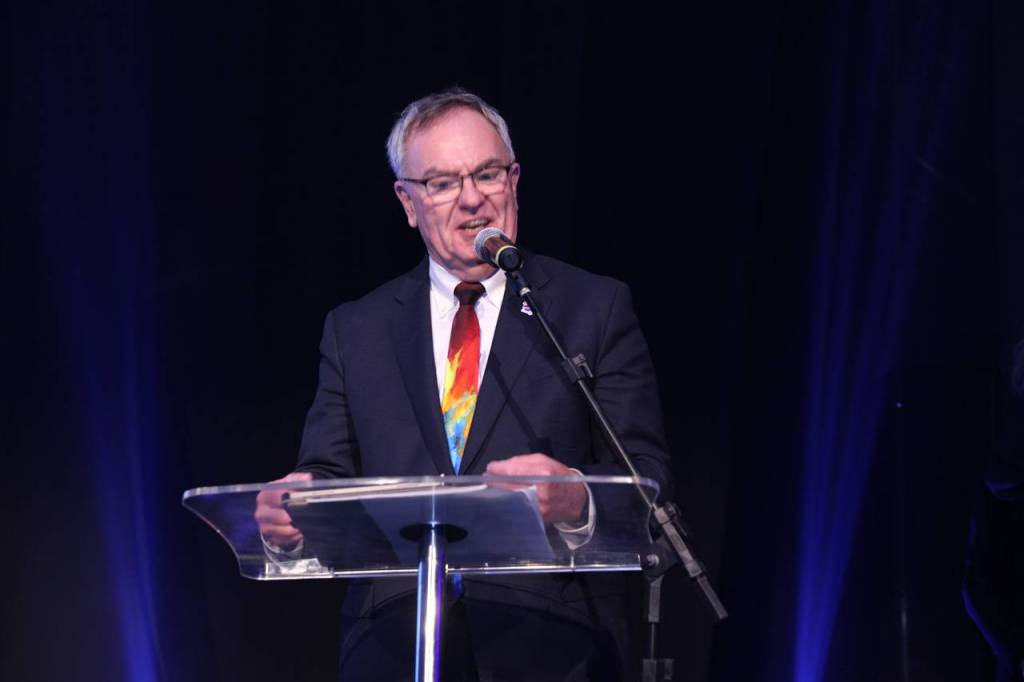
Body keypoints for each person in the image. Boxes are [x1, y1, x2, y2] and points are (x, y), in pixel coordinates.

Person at [255, 87, 674, 681]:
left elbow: (650, 486)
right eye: (443, 183)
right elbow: (325, 475)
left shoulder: (592, 308)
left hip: (552, 646)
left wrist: (577, 499)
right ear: (407, 202)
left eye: (487, 173)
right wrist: (294, 508)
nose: (473, 198)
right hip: (394, 644)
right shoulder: (356, 329)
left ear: (514, 180)